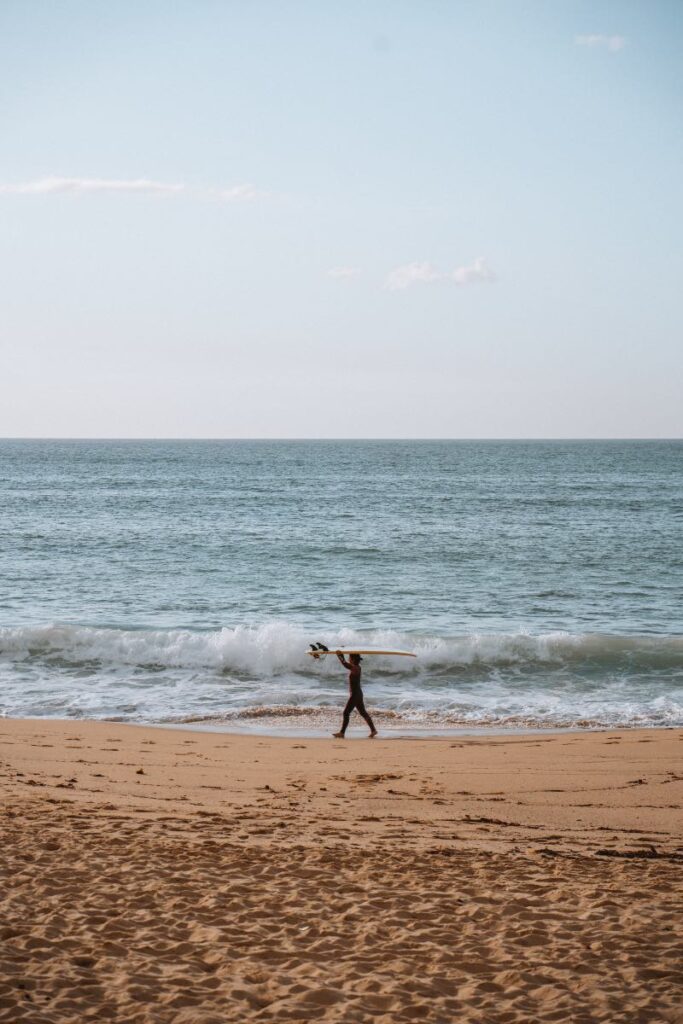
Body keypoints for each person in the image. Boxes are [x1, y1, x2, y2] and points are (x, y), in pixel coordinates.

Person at [333, 651, 378, 739]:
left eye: (350, 658)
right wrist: (341, 657)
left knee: (346, 712)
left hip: (355, 694)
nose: (349, 659)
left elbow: (345, 665)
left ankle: (342, 733)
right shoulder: (357, 667)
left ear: (352, 659)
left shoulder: (355, 668)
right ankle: (373, 730)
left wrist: (340, 656)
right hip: (358, 694)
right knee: (363, 713)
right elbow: (347, 665)